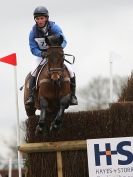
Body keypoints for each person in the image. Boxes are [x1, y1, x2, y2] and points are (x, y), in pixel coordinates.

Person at [26, 6, 78, 105]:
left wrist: (56, 50)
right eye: (37, 19)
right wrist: (41, 53)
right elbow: (33, 48)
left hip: (55, 55)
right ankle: (32, 96)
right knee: (33, 72)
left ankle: (73, 96)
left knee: (71, 70)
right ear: (35, 20)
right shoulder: (33, 32)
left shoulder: (55, 28)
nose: (40, 21)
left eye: (42, 18)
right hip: (42, 56)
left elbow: (64, 42)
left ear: (46, 18)